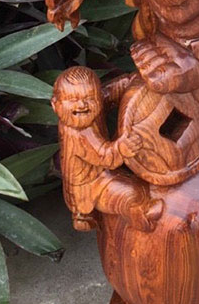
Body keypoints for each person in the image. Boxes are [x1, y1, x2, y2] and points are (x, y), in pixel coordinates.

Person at [52, 67, 163, 231]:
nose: (82, 104)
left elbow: (110, 92)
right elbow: (104, 156)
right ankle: (141, 218)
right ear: (55, 105)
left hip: (101, 174)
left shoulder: (91, 109)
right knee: (130, 193)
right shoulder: (78, 133)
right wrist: (122, 148)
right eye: (72, 99)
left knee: (136, 185)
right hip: (91, 187)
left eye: (89, 98)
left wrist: (131, 81)